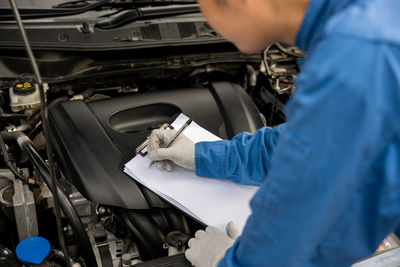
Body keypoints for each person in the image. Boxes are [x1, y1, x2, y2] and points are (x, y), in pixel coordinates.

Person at [147, 0, 400, 266]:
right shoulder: (370, 23)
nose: (208, 25)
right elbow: (307, 145)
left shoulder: (358, 61)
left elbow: (312, 237)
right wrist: (201, 154)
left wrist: (228, 261)